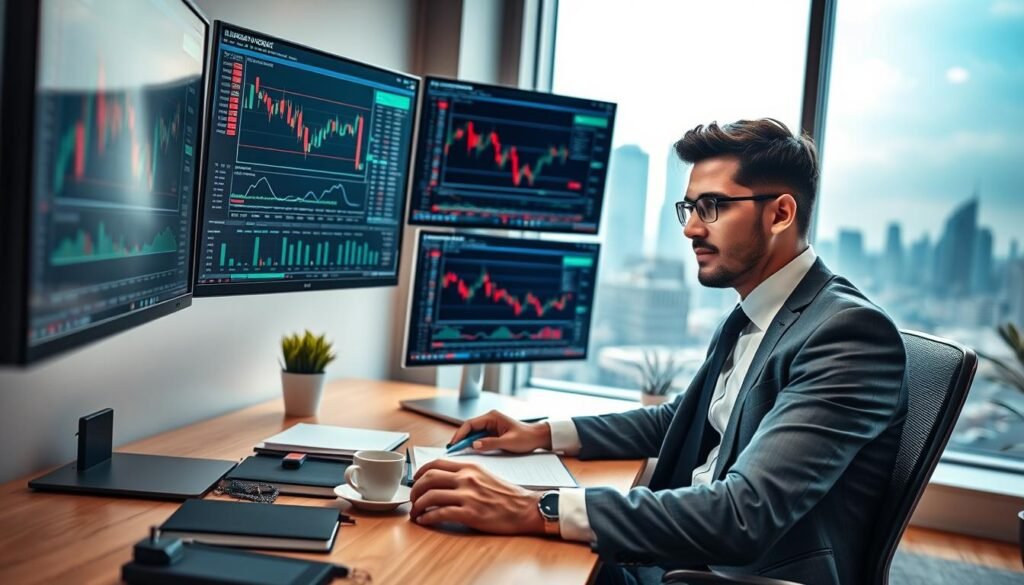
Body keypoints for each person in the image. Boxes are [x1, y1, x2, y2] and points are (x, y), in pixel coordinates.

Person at [408, 118, 907, 585]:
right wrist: (541, 433)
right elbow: (680, 420)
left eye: (711, 207)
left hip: (724, 573)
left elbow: (743, 515)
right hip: (677, 551)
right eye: (689, 208)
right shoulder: (756, 312)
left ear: (780, 213)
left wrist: (533, 507)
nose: (691, 229)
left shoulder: (847, 334)